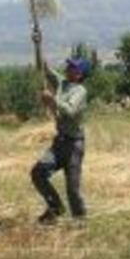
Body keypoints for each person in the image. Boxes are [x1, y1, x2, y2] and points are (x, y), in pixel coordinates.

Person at [32, 57, 90, 225]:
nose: (69, 67)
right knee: (38, 173)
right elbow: (42, 68)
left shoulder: (80, 91)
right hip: (60, 143)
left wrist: (52, 100)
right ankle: (55, 207)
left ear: (79, 74)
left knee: (72, 189)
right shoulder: (61, 82)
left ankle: (80, 221)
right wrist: (37, 44)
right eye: (69, 65)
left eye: (73, 67)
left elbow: (70, 111)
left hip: (74, 146)